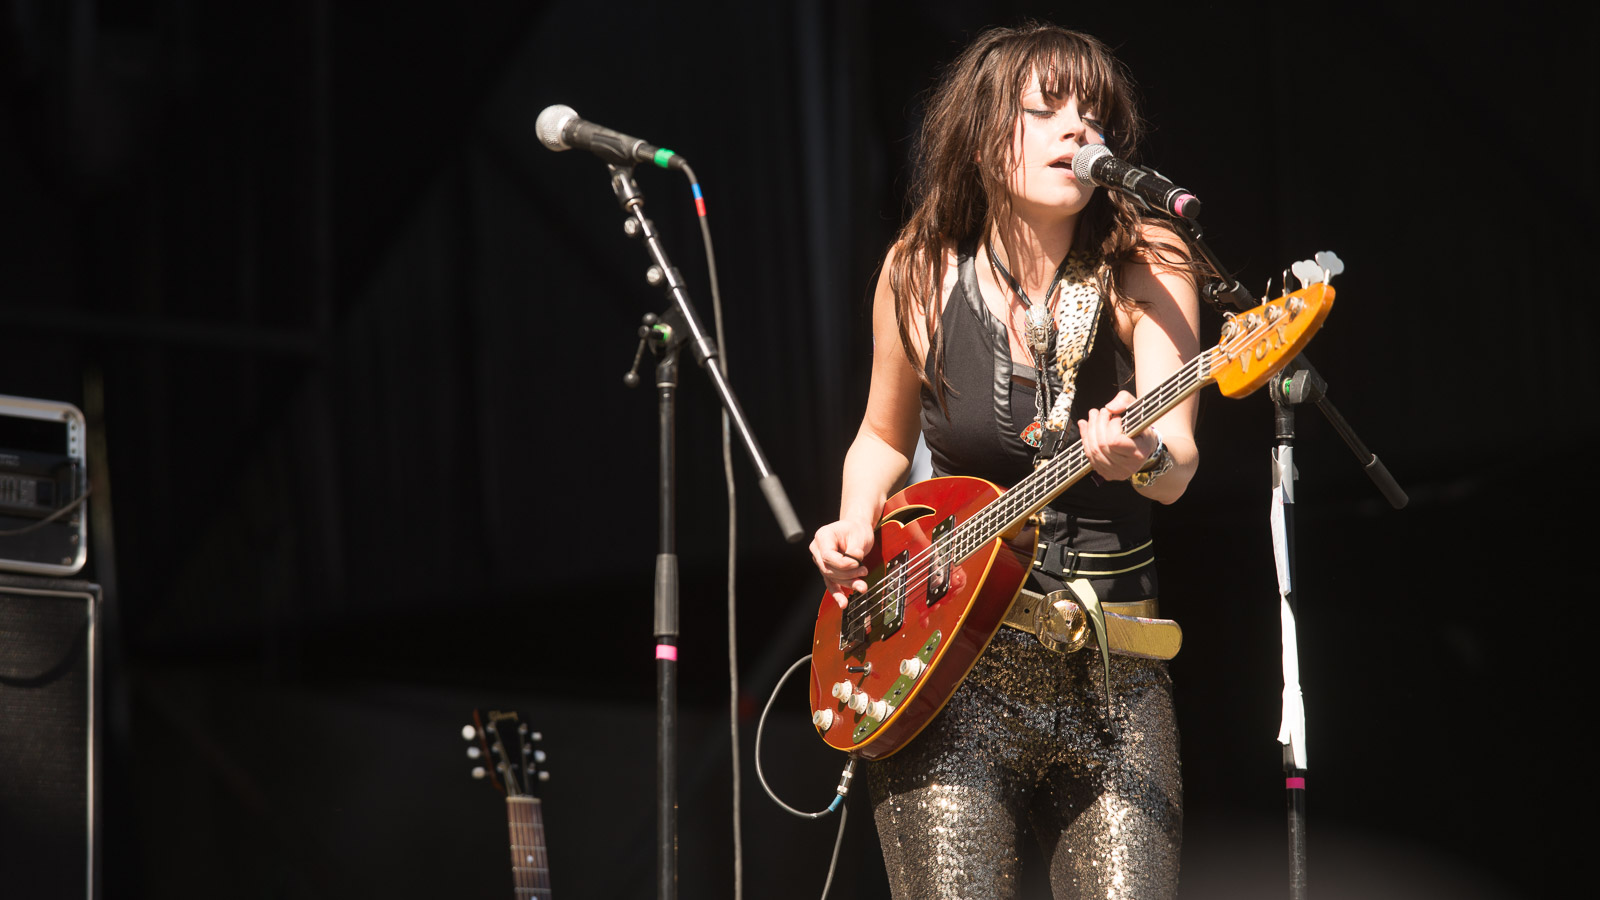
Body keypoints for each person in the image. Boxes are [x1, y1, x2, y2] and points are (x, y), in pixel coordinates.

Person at [808, 23, 1208, 900]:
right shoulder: (918, 271)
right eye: (1048, 110)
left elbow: (1177, 460)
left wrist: (1139, 455)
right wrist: (852, 523)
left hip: (1113, 674)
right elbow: (882, 437)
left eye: (1093, 115)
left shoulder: (1147, 259)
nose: (1079, 130)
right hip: (949, 667)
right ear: (987, 138)